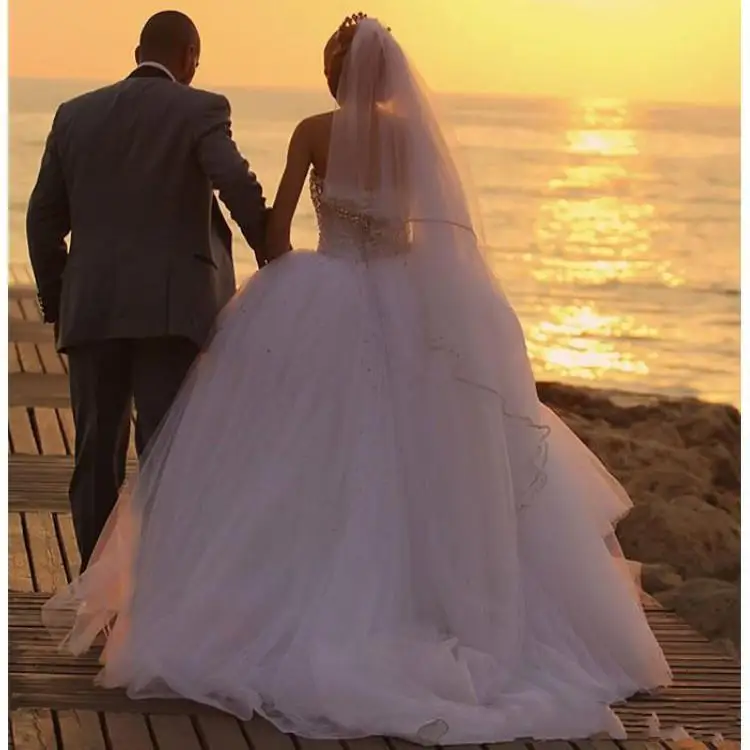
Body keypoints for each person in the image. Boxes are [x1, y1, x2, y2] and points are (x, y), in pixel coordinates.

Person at [43, 14, 672, 743]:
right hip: (407, 308)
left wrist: (268, 259)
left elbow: (274, 236)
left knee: (289, 463)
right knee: (422, 465)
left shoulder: (311, 131)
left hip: (318, 300)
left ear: (331, 75)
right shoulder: (414, 138)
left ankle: (194, 598)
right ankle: (430, 607)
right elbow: (434, 232)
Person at [25, 11, 269, 572]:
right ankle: (155, 600)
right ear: (189, 55)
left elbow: (42, 220)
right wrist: (270, 247)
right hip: (170, 314)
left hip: (92, 312)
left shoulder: (73, 116)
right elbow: (234, 182)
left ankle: (96, 601)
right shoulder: (201, 108)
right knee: (163, 456)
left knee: (94, 459)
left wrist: (60, 299)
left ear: (138, 52)